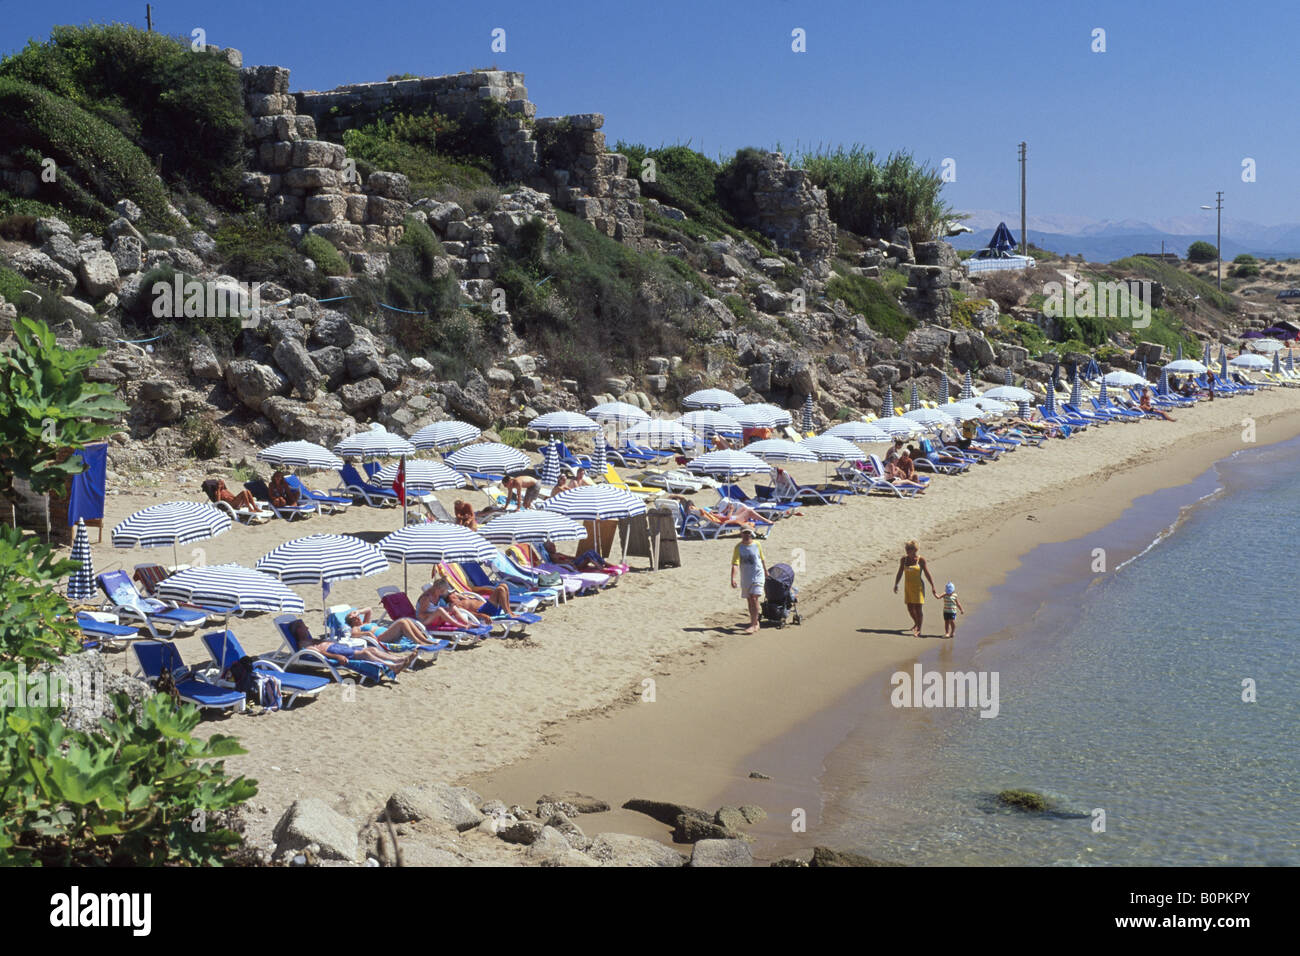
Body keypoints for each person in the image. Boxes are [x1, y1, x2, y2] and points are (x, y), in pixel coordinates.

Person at [288, 619, 415, 673]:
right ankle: (391, 666)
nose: (307, 627)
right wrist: (336, 656)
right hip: (333, 650)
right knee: (365, 654)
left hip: (336, 647)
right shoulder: (303, 643)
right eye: (304, 626)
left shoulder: (310, 639)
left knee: (371, 649)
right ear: (299, 630)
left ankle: (400, 660)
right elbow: (318, 652)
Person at [893, 540, 938, 638]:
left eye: (909, 549)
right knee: (910, 608)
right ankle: (916, 622)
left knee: (918, 609)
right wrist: (896, 584)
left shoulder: (921, 560)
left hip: (918, 588)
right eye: (906, 549)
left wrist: (932, 586)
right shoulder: (903, 560)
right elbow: (900, 572)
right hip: (908, 587)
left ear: (915, 550)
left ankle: (919, 629)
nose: (907, 550)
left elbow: (926, 573)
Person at [343, 608, 441, 648]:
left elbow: (369, 609)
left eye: (356, 615)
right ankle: (419, 642)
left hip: (387, 634)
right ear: (352, 621)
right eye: (354, 616)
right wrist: (367, 634)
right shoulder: (357, 627)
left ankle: (424, 639)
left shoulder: (366, 622)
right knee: (402, 622)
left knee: (406, 620)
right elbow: (353, 634)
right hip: (381, 638)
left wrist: (358, 612)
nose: (357, 616)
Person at [730, 527, 767, 634]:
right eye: (744, 533)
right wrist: (733, 578)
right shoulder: (738, 547)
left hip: (758, 575)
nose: (746, 535)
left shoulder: (757, 544)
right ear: (741, 534)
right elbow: (735, 564)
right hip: (746, 577)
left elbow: (762, 558)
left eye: (748, 533)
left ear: (751, 534)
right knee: (749, 599)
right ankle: (755, 622)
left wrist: (766, 571)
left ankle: (754, 624)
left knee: (754, 597)